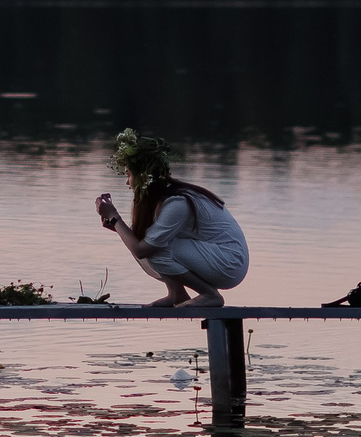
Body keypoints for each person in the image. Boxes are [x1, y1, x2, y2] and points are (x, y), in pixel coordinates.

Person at [95, 129, 248, 308]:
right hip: (218, 258)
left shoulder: (177, 203)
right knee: (153, 242)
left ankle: (210, 295)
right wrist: (118, 227)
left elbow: (142, 250)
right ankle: (177, 294)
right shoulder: (164, 200)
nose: (127, 182)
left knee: (155, 248)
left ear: (144, 176)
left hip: (229, 263)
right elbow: (141, 245)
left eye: (129, 175)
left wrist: (114, 218)